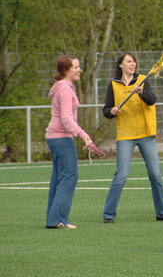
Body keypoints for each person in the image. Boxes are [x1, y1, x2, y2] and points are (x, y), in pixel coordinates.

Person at [102, 52, 163, 223]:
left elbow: (152, 100)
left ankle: (162, 212)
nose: (132, 64)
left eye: (134, 62)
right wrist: (112, 111)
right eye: (129, 61)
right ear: (121, 65)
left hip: (146, 134)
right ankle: (108, 214)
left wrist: (141, 93)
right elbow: (106, 110)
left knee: (156, 174)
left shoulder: (142, 79)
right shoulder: (113, 85)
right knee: (121, 175)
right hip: (125, 135)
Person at [45, 55, 103, 229]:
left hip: (56, 138)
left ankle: (53, 219)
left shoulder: (65, 87)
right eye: (76, 67)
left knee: (59, 178)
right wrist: (83, 135)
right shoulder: (64, 89)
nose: (80, 70)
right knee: (70, 176)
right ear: (66, 70)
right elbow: (66, 118)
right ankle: (57, 220)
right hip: (61, 138)